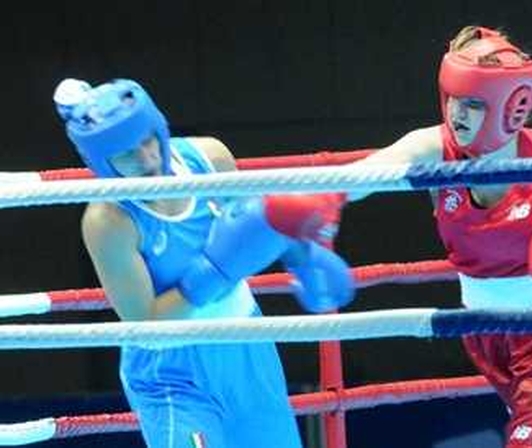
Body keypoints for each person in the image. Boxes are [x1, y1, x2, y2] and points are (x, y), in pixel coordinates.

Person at [347, 26, 532, 448]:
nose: (457, 113)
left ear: (511, 107)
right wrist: (312, 200)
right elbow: (367, 173)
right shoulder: (433, 150)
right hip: (485, 334)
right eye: (452, 98)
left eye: (473, 103)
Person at [53, 78, 354, 448]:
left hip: (246, 346)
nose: (147, 160)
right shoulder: (109, 221)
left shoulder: (208, 159)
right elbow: (146, 325)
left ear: (159, 127)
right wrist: (215, 271)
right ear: (102, 163)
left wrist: (302, 256)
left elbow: (255, 222)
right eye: (127, 154)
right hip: (172, 372)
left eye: (148, 141)